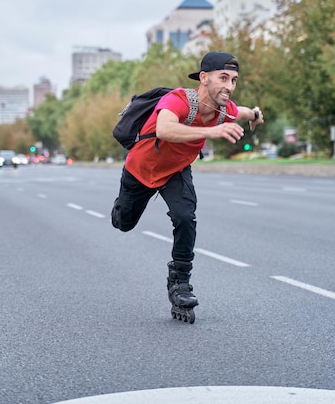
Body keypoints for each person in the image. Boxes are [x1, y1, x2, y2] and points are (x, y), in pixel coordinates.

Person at [111, 51, 264, 322]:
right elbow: (165, 130)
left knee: (185, 217)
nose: (229, 86)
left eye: (234, 80)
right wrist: (211, 132)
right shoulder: (178, 100)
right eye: (223, 78)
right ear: (204, 78)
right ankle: (120, 209)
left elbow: (239, 112)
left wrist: (253, 113)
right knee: (124, 223)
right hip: (140, 170)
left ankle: (180, 283)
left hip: (175, 172)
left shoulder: (223, 109)